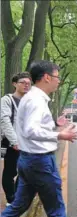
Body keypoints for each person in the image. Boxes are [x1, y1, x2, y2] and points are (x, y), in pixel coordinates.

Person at [1, 60, 77, 217]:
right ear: (47, 77)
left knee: (19, 205)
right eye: (57, 77)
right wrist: (60, 135)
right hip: (40, 163)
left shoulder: (30, 99)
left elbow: (31, 128)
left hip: (28, 160)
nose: (58, 82)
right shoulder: (36, 100)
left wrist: (55, 128)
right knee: (56, 207)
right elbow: (32, 130)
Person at [1, 72, 31, 205]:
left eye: (29, 83)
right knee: (10, 171)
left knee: (26, 170)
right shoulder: (7, 100)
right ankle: (11, 199)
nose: (26, 85)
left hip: (26, 142)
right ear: (14, 84)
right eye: (23, 82)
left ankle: (17, 196)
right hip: (11, 142)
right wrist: (14, 141)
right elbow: (4, 121)